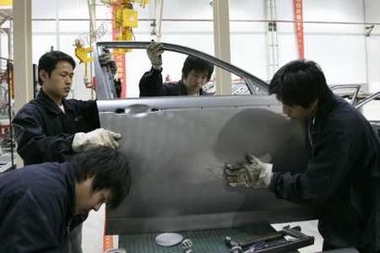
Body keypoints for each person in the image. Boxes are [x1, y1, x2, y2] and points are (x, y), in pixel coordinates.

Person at [224, 60, 380, 252]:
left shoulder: (341, 128)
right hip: (342, 223)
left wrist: (267, 178)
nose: (284, 112)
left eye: (289, 106)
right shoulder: (321, 114)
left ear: (313, 100)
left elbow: (314, 188)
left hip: (360, 231)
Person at [12, 50, 122, 253]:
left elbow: (104, 109)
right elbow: (35, 148)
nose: (69, 81)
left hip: (75, 204)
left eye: (71, 76)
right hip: (47, 203)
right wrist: (76, 141)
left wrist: (110, 78)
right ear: (44, 75)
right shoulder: (29, 114)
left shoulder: (72, 108)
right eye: (63, 75)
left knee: (74, 247)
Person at [0, 146, 131, 253]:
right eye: (101, 198)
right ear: (90, 174)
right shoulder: (42, 197)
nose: (96, 208)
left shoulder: (64, 193)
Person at [139, 41, 214, 96]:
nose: (198, 81)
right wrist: (156, 68)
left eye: (203, 77)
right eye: (195, 75)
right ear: (185, 72)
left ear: (207, 79)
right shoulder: (168, 92)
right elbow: (150, 92)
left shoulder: (207, 100)